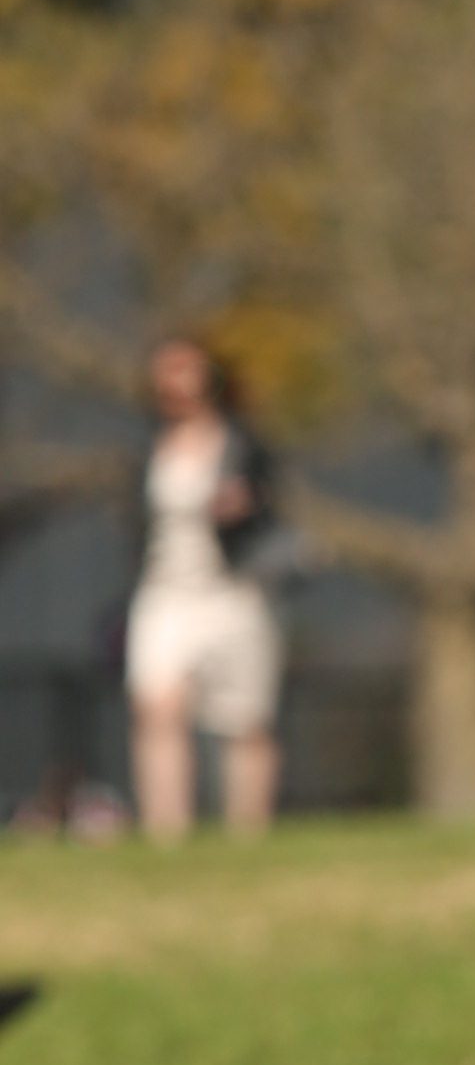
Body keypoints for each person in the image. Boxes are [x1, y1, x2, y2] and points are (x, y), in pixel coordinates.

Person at [127, 333, 283, 836]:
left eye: (184, 369)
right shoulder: (148, 446)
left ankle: (247, 835)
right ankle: (166, 833)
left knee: (244, 721)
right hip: (166, 592)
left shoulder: (244, 442)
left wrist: (245, 506)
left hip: (231, 589)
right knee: (158, 707)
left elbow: (275, 505)